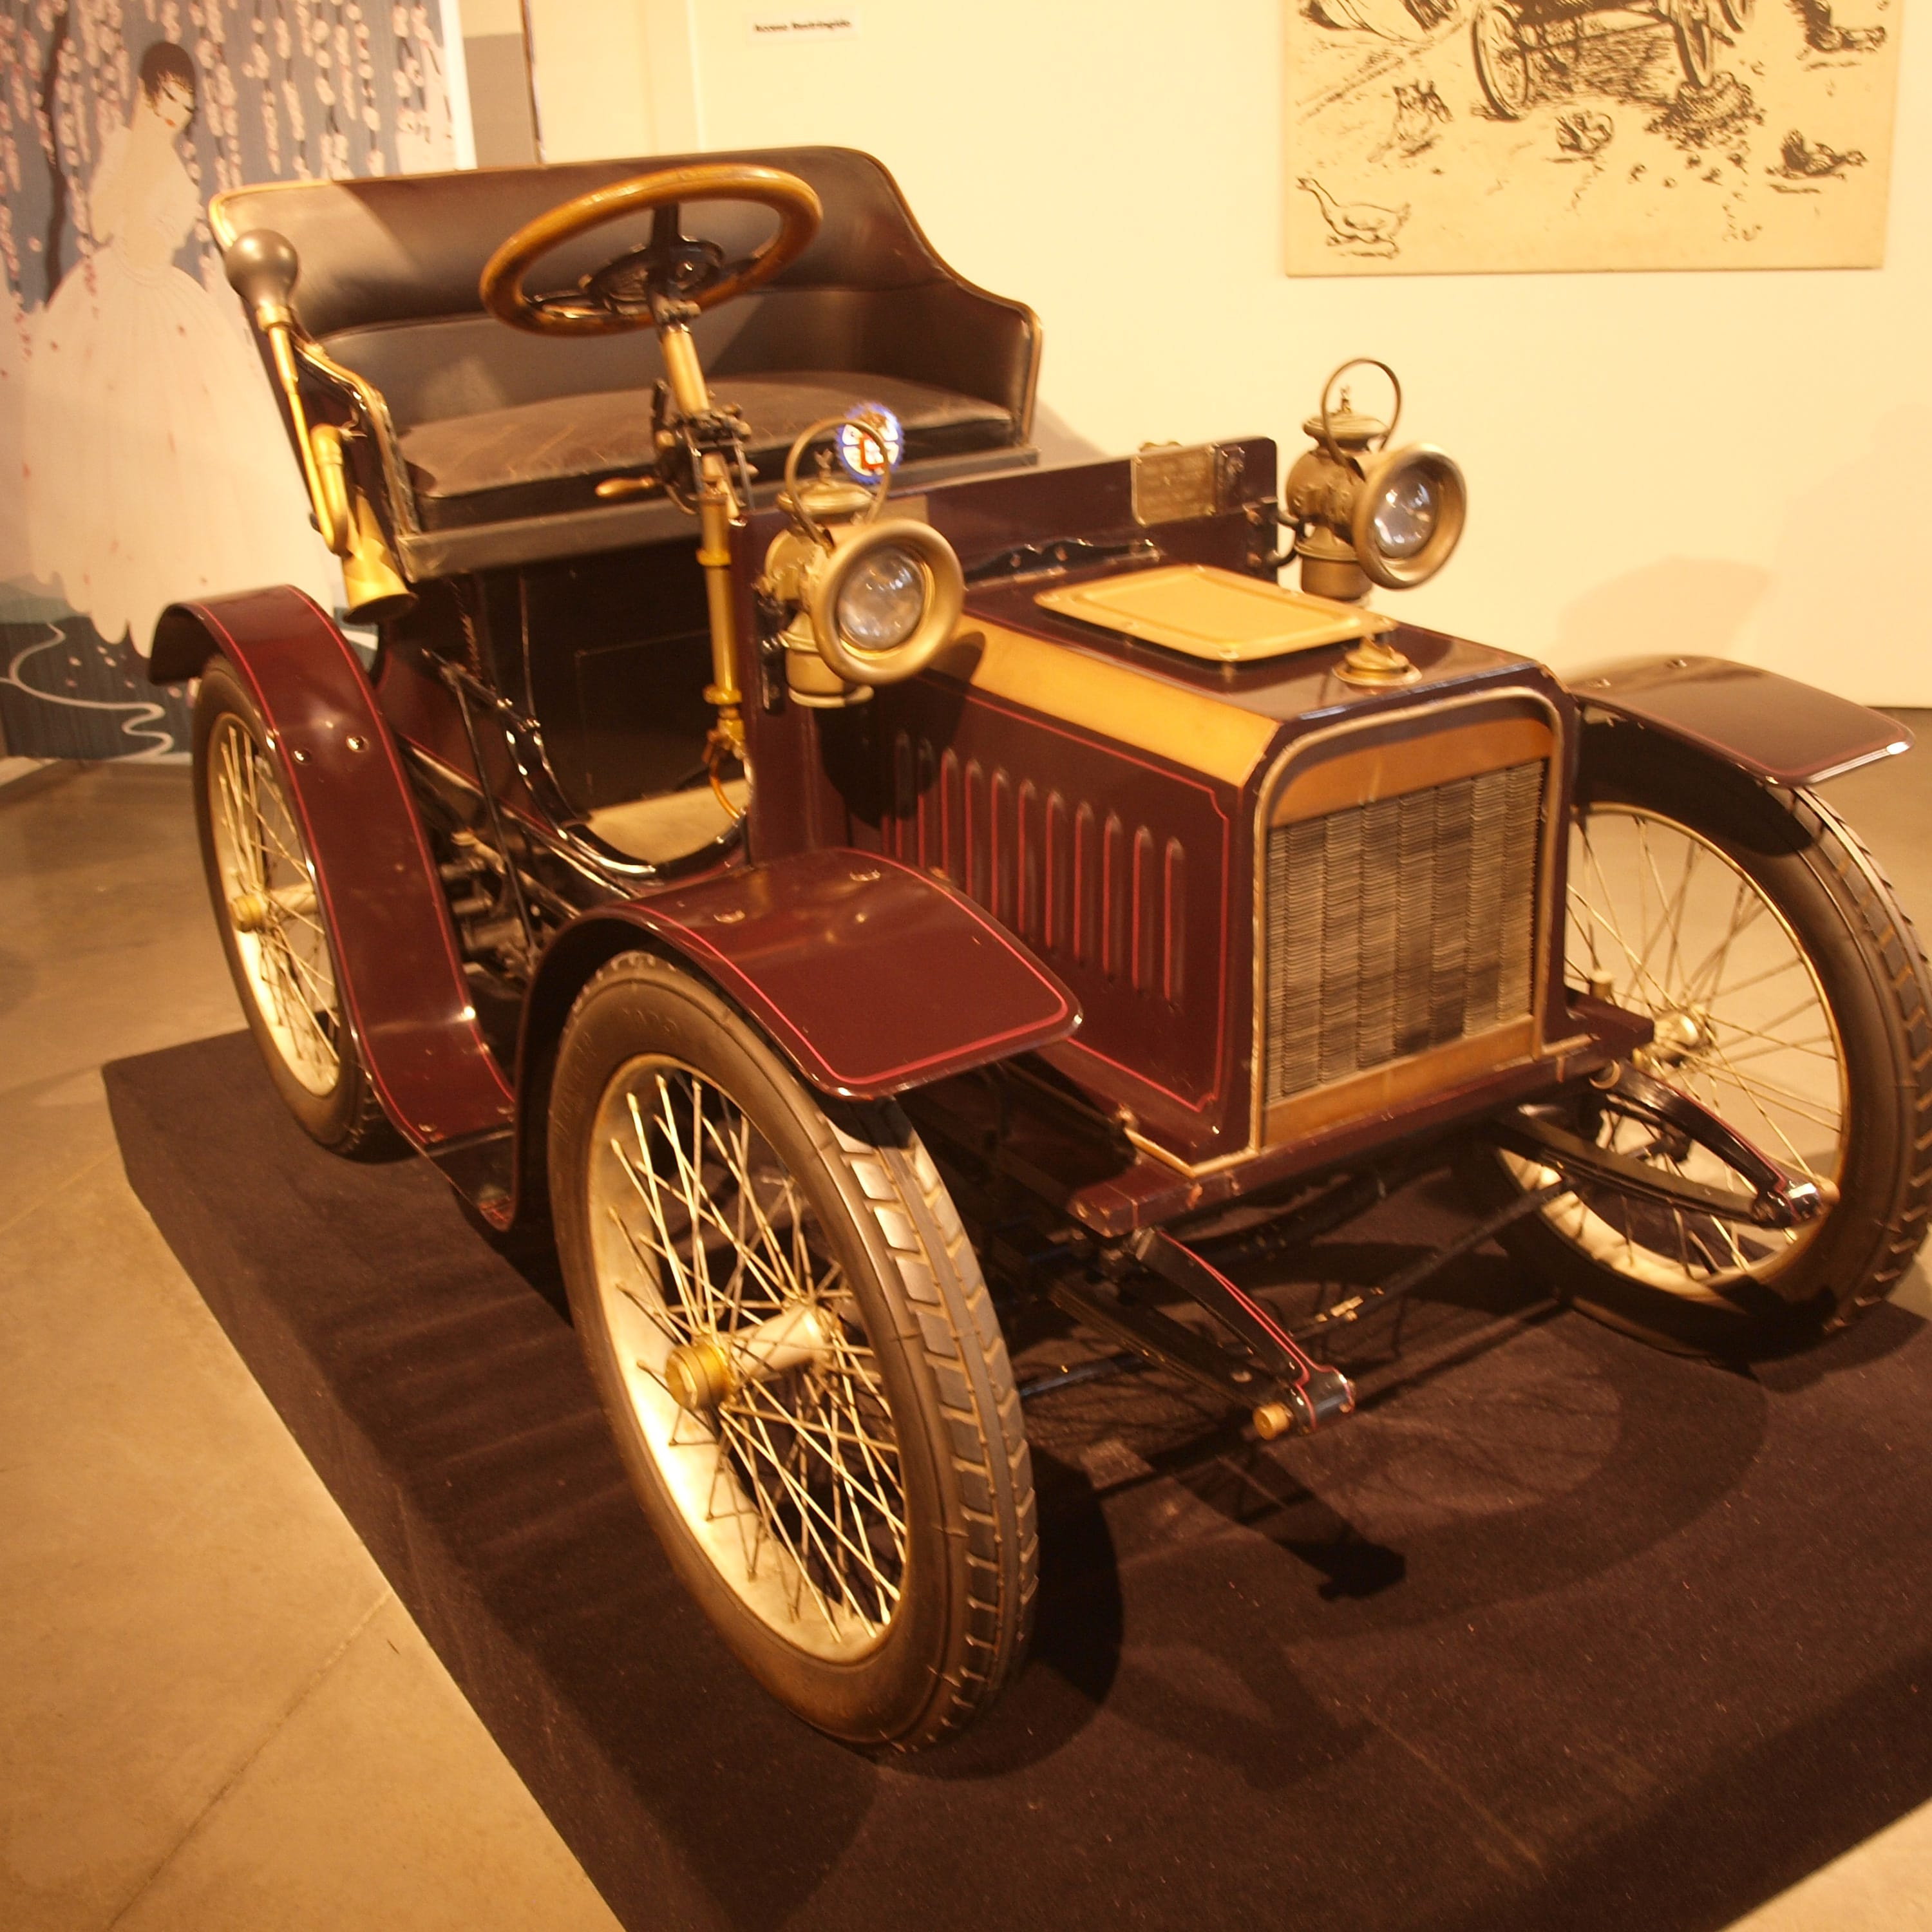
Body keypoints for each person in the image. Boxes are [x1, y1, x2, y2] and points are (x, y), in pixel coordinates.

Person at [23, 41, 330, 654]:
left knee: (182, 435)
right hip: (108, 296)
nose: (172, 121)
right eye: (165, 106)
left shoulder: (177, 177)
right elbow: (106, 220)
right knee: (109, 439)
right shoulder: (123, 149)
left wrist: (150, 169)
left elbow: (149, 242)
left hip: (158, 301)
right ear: (143, 95)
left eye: (183, 112)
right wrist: (140, 158)